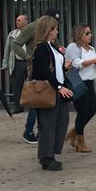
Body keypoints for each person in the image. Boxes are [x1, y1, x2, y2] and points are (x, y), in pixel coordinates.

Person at [13, 8, 62, 144]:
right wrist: (28, 57)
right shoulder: (31, 28)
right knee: (37, 98)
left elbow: (55, 44)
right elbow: (16, 44)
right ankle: (29, 130)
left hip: (49, 66)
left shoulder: (50, 31)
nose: (56, 28)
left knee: (46, 98)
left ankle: (42, 131)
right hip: (36, 67)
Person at [32, 16, 75, 171]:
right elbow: (43, 70)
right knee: (48, 125)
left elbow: (52, 69)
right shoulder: (42, 48)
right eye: (55, 28)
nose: (57, 31)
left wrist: (64, 67)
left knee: (62, 121)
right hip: (49, 90)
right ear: (49, 30)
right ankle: (46, 157)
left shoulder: (52, 47)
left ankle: (51, 153)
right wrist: (58, 87)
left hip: (57, 88)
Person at [64, 24, 96, 153]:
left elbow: (93, 66)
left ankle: (74, 133)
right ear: (79, 35)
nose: (90, 35)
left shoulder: (91, 48)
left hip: (89, 82)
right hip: (77, 81)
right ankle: (79, 141)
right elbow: (76, 64)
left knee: (92, 110)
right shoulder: (73, 47)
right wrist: (94, 61)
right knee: (83, 111)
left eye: (90, 33)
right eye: (87, 33)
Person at [2, 14, 29, 114]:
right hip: (17, 61)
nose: (16, 22)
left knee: (32, 83)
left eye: (19, 20)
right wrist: (5, 63)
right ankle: (18, 106)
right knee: (17, 85)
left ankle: (33, 104)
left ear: (26, 22)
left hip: (30, 61)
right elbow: (7, 49)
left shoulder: (32, 32)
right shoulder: (12, 34)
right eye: (16, 20)